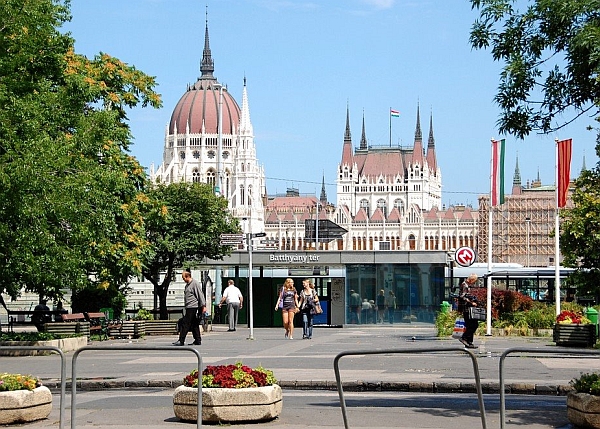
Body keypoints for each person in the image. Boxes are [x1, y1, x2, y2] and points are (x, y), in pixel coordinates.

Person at [173, 271, 205, 346]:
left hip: (193, 306)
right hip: (189, 306)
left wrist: (203, 306)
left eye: (183, 278)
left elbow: (200, 294)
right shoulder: (187, 285)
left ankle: (181, 340)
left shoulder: (194, 283)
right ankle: (197, 340)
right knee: (194, 324)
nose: (183, 279)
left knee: (185, 323)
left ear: (187, 276)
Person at [457, 273, 479, 349]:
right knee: (473, 324)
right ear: (471, 279)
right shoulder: (465, 285)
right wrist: (471, 302)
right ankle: (464, 338)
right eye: (474, 281)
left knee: (471, 324)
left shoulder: (467, 285)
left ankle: (469, 342)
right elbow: (462, 296)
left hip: (468, 308)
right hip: (466, 308)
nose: (474, 283)